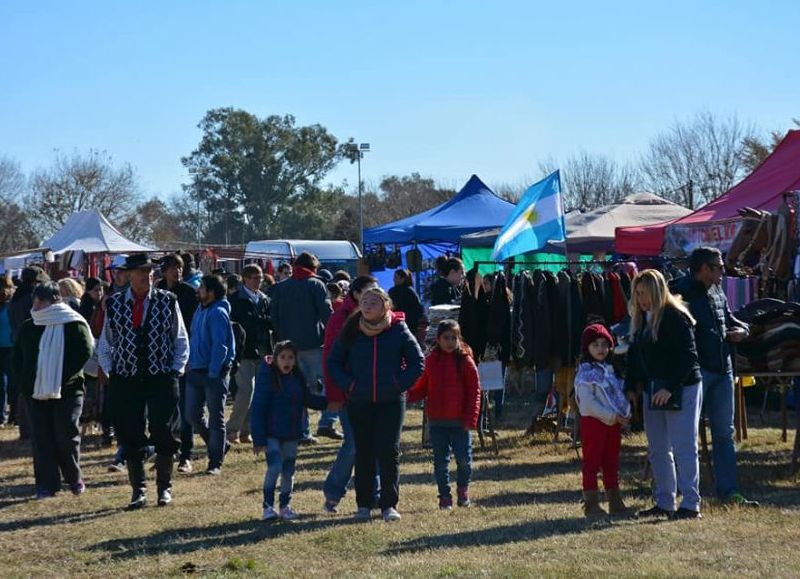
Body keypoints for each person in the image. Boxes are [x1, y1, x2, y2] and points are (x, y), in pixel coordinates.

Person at [97, 253, 189, 509]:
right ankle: (138, 490)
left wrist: (175, 369)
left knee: (164, 430)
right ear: (129, 275)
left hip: (160, 376)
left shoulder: (167, 301)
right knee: (130, 433)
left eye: (150, 272)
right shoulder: (114, 304)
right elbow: (105, 343)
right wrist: (111, 370)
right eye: (141, 272)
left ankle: (164, 489)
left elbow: (180, 338)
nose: (146, 277)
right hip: (126, 378)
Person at [328, 287, 424, 522]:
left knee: (388, 452)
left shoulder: (398, 329)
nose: (368, 305)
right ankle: (363, 505)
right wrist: (349, 385)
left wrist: (397, 385)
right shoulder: (352, 328)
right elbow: (334, 362)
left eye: (374, 301)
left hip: (390, 402)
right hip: (359, 401)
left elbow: (417, 361)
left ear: (386, 306)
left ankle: (388, 505)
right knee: (364, 452)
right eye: (365, 301)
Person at [671, 247, 758, 507]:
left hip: (723, 370)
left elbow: (730, 318)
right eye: (719, 267)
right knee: (685, 436)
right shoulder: (679, 292)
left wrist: (743, 330)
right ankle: (681, 492)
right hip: (696, 373)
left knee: (724, 434)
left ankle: (729, 491)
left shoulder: (717, 290)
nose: (723, 271)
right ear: (704, 268)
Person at [625, 269, 703, 520]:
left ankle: (691, 503)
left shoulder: (675, 317)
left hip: (683, 387)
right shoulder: (640, 320)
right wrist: (631, 387)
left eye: (645, 293)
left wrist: (670, 387)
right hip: (653, 388)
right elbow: (636, 358)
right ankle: (665, 501)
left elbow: (689, 357)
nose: (641, 299)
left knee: (684, 446)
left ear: (658, 291)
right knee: (658, 447)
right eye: (637, 294)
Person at [12, 282, 93, 498]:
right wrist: (26, 382)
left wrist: (59, 375)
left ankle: (74, 478)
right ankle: (47, 484)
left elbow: (84, 350)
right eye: (35, 300)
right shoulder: (29, 327)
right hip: (35, 393)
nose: (36, 305)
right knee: (42, 438)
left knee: (66, 435)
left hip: (67, 390)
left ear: (54, 301)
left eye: (41, 301)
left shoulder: (73, 324)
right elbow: (17, 358)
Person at [407, 320, 481, 510]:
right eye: (446, 338)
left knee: (464, 460)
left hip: (459, 422)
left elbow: (475, 392)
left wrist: (471, 418)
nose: (449, 342)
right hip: (437, 421)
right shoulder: (431, 361)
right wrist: (406, 395)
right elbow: (422, 387)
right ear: (438, 339)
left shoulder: (465, 361)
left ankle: (463, 490)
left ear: (459, 339)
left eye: (453, 338)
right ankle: (444, 496)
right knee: (441, 462)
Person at [251, 340, 328, 520]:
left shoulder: (297, 377)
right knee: (275, 467)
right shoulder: (267, 377)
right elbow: (258, 408)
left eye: (291, 357)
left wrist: (327, 401)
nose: (287, 361)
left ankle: (285, 506)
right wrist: (258, 439)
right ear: (276, 358)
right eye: (283, 357)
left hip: (291, 433)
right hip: (271, 433)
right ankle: (268, 507)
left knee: (288, 471)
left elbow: (307, 399)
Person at [322, 275, 379, 514]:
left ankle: (374, 495)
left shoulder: (380, 318)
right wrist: (336, 394)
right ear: (355, 293)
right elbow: (331, 360)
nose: (371, 298)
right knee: (354, 444)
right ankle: (333, 492)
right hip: (348, 392)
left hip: (374, 392)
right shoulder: (340, 318)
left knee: (373, 444)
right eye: (367, 293)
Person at [270, 252, 338, 442]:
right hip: (314, 345)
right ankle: (327, 422)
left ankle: (301, 432)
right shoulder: (316, 284)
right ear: (313, 268)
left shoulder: (281, 287)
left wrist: (282, 339)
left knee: (298, 390)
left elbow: (273, 316)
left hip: (289, 348)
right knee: (331, 383)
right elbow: (327, 314)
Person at [574, 323, 631, 517]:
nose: (600, 349)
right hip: (594, 423)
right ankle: (591, 503)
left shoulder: (610, 370)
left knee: (611, 461)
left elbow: (618, 395)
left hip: (613, 424)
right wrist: (610, 415)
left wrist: (624, 412)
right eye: (595, 345)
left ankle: (615, 500)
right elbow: (588, 404)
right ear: (587, 348)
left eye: (604, 345)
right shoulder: (585, 374)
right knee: (592, 462)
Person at [186, 275, 235, 475]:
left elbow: (220, 347)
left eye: (202, 288)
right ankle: (220, 445)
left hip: (213, 373)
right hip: (196, 370)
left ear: (211, 292)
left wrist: (214, 373)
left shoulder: (218, 313)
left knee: (216, 418)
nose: (198, 290)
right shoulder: (200, 310)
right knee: (192, 416)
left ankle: (215, 462)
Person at [156, 254, 200, 474]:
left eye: (180, 267)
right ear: (164, 270)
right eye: (173, 267)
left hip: (182, 356)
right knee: (161, 409)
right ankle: (163, 452)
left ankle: (186, 455)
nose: (178, 271)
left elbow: (191, 328)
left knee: (185, 409)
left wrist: (188, 358)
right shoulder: (156, 291)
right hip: (158, 357)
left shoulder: (189, 293)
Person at [227, 264, 273, 445]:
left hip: (263, 350)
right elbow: (243, 322)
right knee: (246, 391)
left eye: (260, 277)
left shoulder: (264, 299)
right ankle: (232, 430)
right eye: (254, 277)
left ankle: (247, 430)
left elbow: (271, 321)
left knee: (258, 393)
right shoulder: (235, 299)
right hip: (244, 351)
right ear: (245, 279)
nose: (258, 280)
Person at [8, 265, 49, 439]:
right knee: (33, 388)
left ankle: (24, 428)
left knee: (23, 388)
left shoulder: (15, 300)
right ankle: (32, 428)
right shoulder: (31, 298)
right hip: (33, 345)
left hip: (17, 343)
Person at [388, 269, 426, 342]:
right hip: (411, 325)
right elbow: (419, 309)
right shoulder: (411, 291)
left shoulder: (393, 291)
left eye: (396, 277)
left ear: (402, 279)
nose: (393, 280)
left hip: (396, 324)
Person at [0, 276, 15, 428]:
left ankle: (4, 415)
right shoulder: (13, 304)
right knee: (9, 382)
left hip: (10, 346)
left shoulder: (11, 305)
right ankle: (9, 414)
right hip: (10, 346)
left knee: (4, 383)